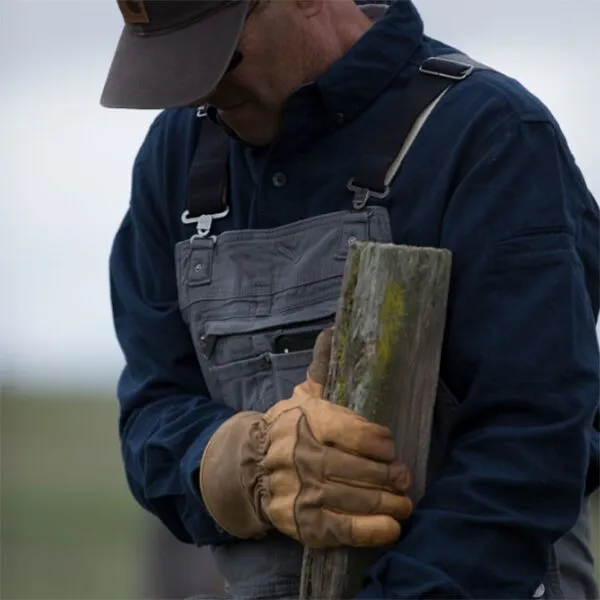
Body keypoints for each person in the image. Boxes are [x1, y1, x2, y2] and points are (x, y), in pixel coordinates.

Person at [101, 0, 600, 598]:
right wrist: (245, 465)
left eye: (218, 55)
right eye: (174, 68)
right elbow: (151, 418)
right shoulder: (174, 159)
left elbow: (533, 441)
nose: (198, 93)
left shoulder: (488, 135)